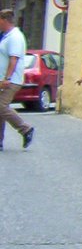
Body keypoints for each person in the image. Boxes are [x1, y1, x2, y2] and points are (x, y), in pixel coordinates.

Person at [0, 8, 34, 150]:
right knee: (0, 110)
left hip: (11, 80)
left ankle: (25, 129)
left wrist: (7, 78)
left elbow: (14, 59)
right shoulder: (7, 36)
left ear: (4, 20)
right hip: (4, 78)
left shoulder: (15, 37)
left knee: (1, 107)